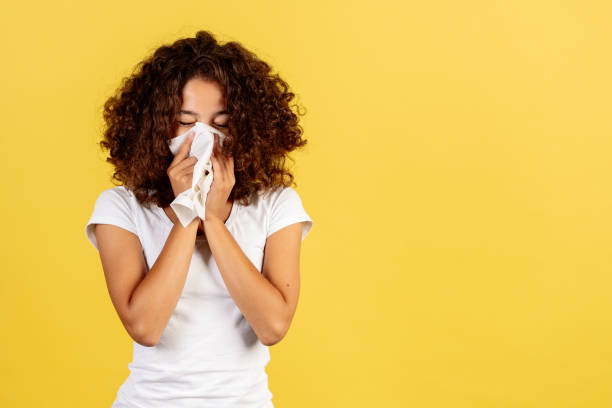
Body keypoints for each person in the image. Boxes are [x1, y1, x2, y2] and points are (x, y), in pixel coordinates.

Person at [84, 30, 314, 407]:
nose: (203, 136)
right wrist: (188, 211)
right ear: (158, 126)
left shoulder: (277, 204)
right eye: (186, 121)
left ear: (246, 129)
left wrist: (215, 221)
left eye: (220, 123)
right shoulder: (120, 207)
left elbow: (273, 326)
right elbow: (144, 326)